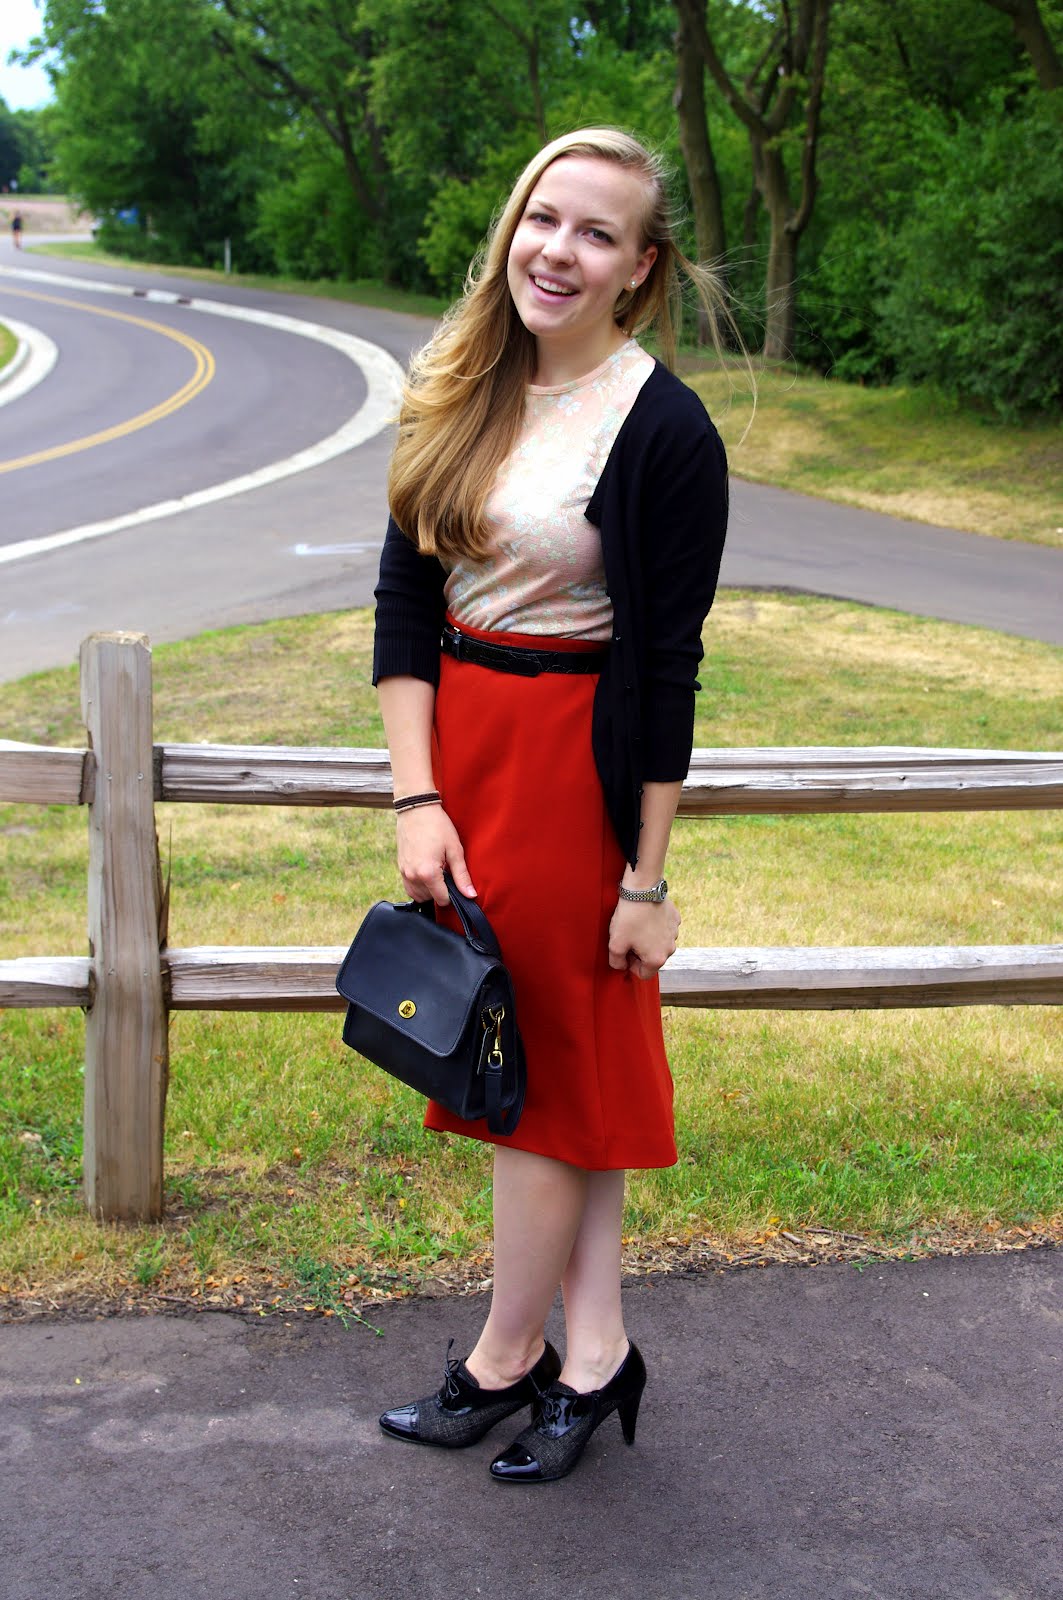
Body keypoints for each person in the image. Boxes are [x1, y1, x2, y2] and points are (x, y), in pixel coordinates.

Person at [372, 126, 730, 1484]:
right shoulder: (457, 384)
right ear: (512, 224)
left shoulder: (665, 430)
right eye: (543, 217)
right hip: (465, 758)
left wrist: (646, 881)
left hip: (575, 773)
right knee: (551, 1071)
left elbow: (667, 667)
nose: (558, 251)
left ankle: (504, 1356)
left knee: (533, 1078)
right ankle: (595, 1353)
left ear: (641, 268)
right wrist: (418, 793)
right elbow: (404, 602)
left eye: (597, 233)